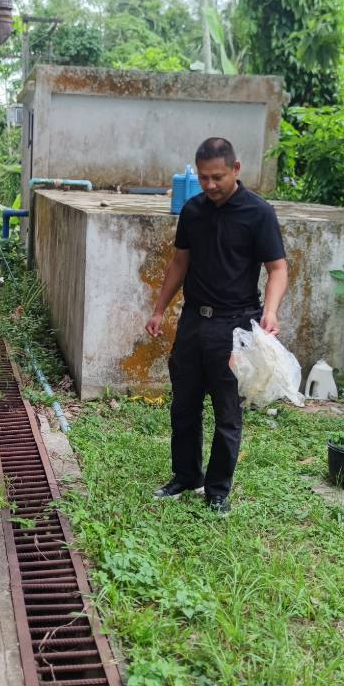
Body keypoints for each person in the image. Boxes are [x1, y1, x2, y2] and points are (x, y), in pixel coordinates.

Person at [144, 138, 288, 514]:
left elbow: (277, 269)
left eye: (218, 177)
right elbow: (180, 262)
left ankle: (218, 490)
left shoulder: (259, 213)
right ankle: (186, 476)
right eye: (204, 177)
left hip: (235, 325)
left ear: (235, 169)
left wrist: (271, 311)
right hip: (194, 321)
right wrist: (159, 310)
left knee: (227, 413)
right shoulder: (193, 210)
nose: (210, 185)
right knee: (184, 405)